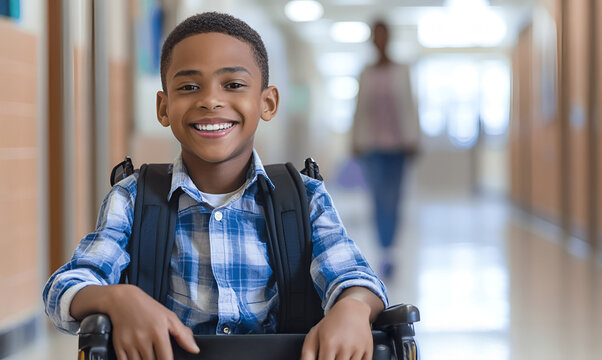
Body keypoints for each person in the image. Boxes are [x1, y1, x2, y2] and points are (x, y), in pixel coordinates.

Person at [43, 12, 387, 360]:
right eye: (189, 87)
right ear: (163, 108)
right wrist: (117, 299)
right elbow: (64, 289)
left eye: (233, 85)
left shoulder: (304, 198)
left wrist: (352, 309)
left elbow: (354, 275)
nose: (210, 100)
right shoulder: (133, 199)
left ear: (267, 103)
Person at [351, 20, 419, 281]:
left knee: (395, 199)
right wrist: (355, 140)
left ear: (389, 37)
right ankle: (384, 251)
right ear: (372, 39)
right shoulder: (366, 73)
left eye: (384, 34)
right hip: (373, 148)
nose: (380, 40)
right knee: (379, 199)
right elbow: (359, 110)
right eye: (375, 35)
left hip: (400, 147)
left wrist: (415, 138)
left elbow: (411, 106)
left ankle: (391, 247)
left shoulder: (401, 71)